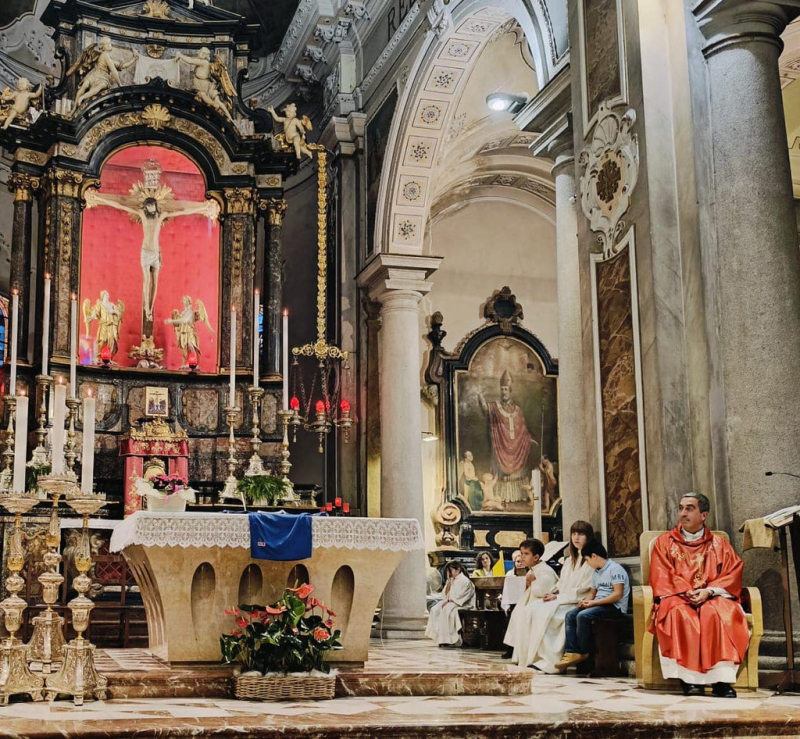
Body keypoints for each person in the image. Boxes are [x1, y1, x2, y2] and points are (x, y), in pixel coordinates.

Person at [648, 492, 750, 698]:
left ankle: (722, 680)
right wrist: (687, 591)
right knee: (681, 615)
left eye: (689, 508)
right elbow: (662, 574)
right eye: (680, 508)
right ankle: (690, 680)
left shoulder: (719, 544)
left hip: (712, 595)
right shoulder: (664, 543)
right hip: (678, 596)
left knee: (720, 613)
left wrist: (708, 591)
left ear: (704, 515)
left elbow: (732, 572)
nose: (682, 513)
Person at [506, 521, 595, 671]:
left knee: (544, 614)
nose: (576, 537)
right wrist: (554, 592)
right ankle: (533, 658)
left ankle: (550, 661)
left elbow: (584, 589)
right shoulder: (570, 560)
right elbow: (561, 583)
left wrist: (558, 597)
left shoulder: (591, 560)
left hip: (575, 601)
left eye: (580, 534)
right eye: (573, 534)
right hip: (563, 598)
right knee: (530, 609)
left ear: (589, 536)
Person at [556, 539, 629, 670]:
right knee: (571, 614)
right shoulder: (596, 572)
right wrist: (585, 601)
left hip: (614, 607)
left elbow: (617, 594)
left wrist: (593, 603)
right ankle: (571, 652)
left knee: (583, 616)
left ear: (594, 556)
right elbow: (592, 593)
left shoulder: (615, 569)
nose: (587, 563)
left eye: (587, 560)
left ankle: (583, 652)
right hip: (599, 604)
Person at [477, 370, 538, 503]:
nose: (503, 392)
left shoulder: (518, 410)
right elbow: (485, 409)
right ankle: (502, 496)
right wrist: (480, 396)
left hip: (516, 447)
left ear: (510, 391)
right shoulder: (495, 406)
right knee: (499, 470)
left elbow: (522, 428)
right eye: (502, 389)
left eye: (506, 389)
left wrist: (528, 439)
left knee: (517, 471)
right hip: (500, 445)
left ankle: (517, 495)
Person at [502, 539, 558, 658]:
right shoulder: (532, 570)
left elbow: (544, 591)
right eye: (521, 553)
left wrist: (533, 583)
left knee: (526, 613)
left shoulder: (545, 570)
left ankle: (531, 655)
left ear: (536, 557)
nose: (522, 557)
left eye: (526, 554)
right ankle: (518, 651)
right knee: (517, 612)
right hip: (533, 602)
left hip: (544, 603)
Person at [425, 561, 476, 647]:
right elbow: (445, 595)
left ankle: (448, 639)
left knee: (446, 609)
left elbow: (464, 596)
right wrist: (448, 583)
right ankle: (440, 637)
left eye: (450, 570)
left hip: (462, 603)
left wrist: (450, 601)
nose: (449, 573)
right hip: (451, 602)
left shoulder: (465, 581)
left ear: (458, 569)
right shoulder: (452, 580)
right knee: (435, 609)